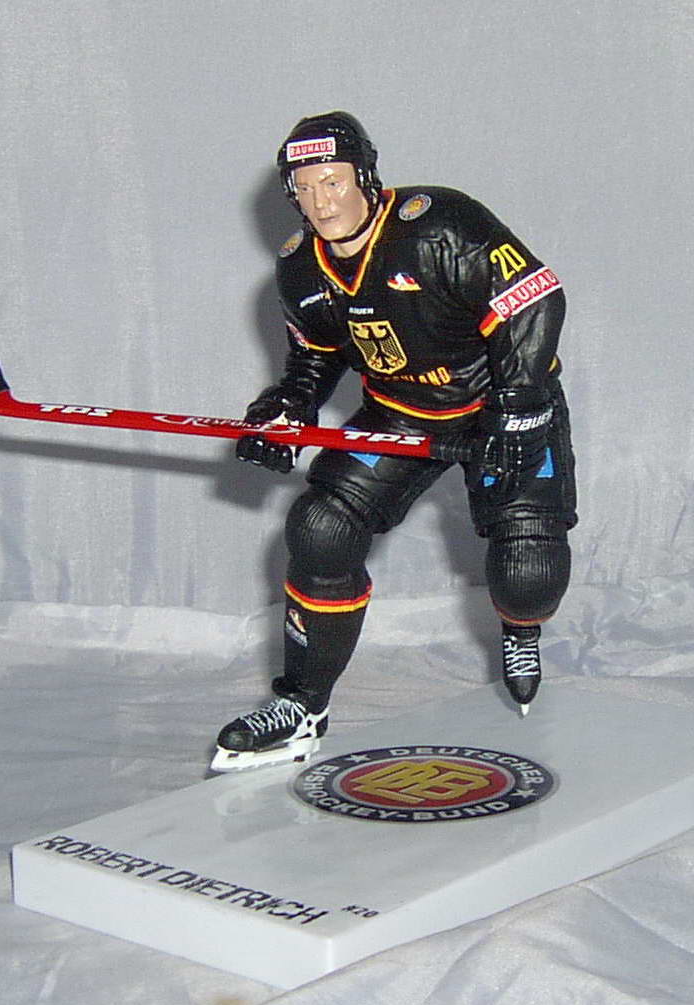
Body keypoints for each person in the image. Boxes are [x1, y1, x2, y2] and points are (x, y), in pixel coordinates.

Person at [211, 112, 576, 771]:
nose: (322, 203)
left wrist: (521, 406)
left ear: (365, 176)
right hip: (402, 413)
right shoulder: (300, 269)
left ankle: (520, 628)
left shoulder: (438, 226)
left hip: (502, 403)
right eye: (305, 189)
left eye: (333, 182)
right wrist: (285, 408)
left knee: (527, 574)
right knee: (321, 530)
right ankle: (302, 706)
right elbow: (315, 359)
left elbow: (532, 302)